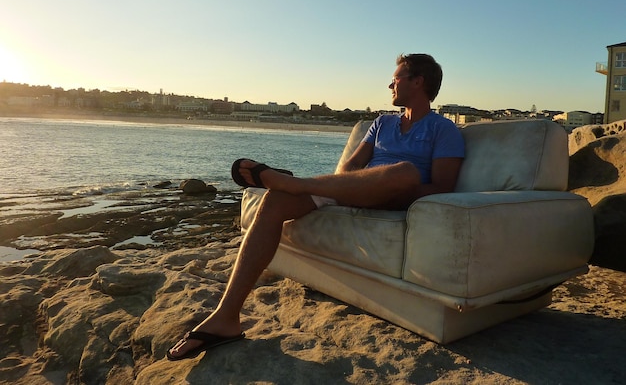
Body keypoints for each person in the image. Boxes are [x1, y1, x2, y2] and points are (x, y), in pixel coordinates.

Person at [166, 53, 465, 361]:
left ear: (418, 82)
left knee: (404, 171)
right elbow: (346, 173)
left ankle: (297, 182)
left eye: (397, 78)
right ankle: (225, 317)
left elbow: (442, 188)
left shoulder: (443, 129)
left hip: (398, 196)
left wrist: (391, 184)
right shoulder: (381, 123)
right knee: (275, 199)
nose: (390, 84)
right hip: (351, 192)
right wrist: (354, 186)